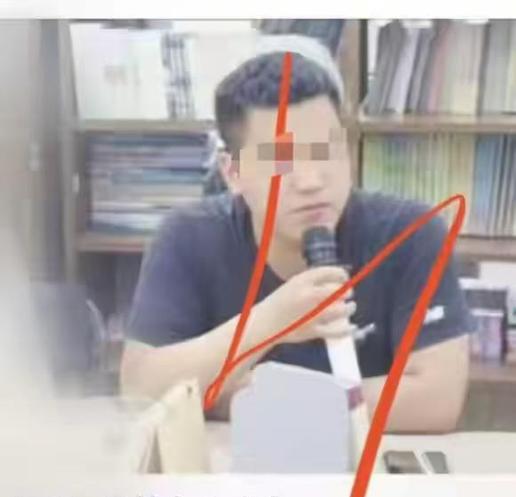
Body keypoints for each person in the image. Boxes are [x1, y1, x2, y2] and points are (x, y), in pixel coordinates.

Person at [120, 36, 474, 432]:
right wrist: (270, 321)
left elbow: (436, 400)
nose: (310, 181)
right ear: (233, 172)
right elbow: (141, 390)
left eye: (326, 151)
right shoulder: (188, 236)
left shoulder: (412, 233)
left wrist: (258, 400)